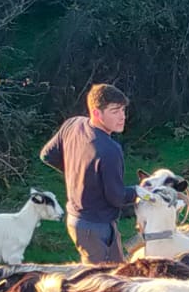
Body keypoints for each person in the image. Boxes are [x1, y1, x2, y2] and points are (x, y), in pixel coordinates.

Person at [39, 83, 136, 263]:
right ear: (97, 113)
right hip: (94, 228)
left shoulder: (73, 124)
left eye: (123, 110)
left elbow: (47, 155)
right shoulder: (110, 150)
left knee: (120, 277)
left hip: (84, 222)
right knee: (99, 285)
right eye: (115, 111)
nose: (122, 117)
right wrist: (139, 193)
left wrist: (80, 173)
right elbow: (117, 197)